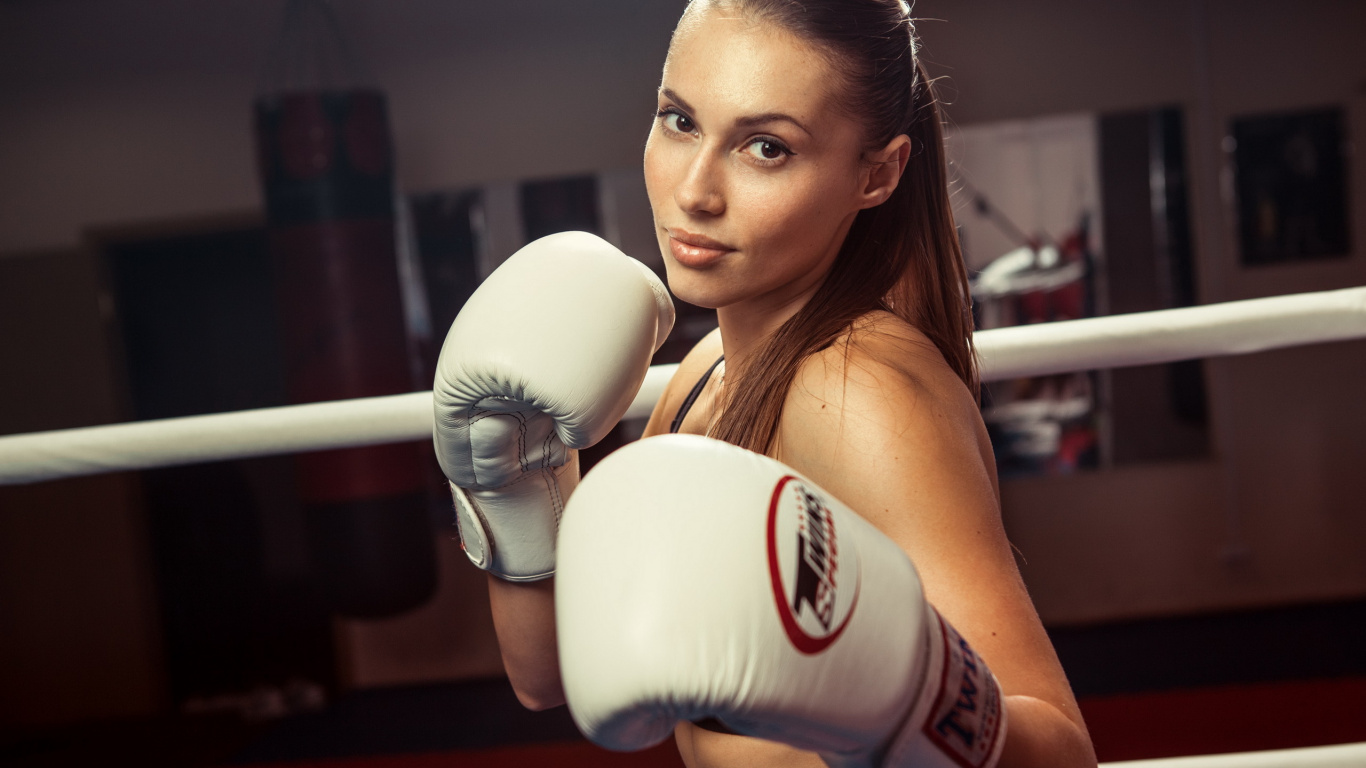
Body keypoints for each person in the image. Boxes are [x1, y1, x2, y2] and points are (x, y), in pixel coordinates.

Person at [433, 1, 1097, 766]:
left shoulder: (859, 398)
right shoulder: (705, 372)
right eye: (680, 121)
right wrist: (514, 481)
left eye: (766, 147)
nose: (695, 191)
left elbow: (1065, 752)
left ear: (877, 174)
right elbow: (546, 676)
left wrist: (907, 702)